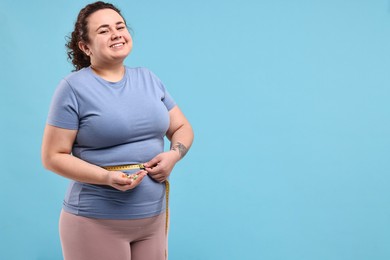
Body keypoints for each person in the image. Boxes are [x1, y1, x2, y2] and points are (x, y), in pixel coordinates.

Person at [41, 1, 194, 259]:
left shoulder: (149, 78)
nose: (115, 34)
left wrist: (174, 155)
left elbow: (182, 127)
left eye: (119, 26)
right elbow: (52, 156)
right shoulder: (73, 88)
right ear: (85, 46)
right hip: (95, 221)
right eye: (103, 30)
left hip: (152, 222)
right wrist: (106, 177)